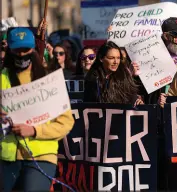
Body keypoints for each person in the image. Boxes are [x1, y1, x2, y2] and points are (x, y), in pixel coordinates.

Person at [1, 27, 74, 191]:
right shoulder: (2, 78)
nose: (21, 55)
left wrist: (34, 130)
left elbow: (66, 123)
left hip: (41, 156)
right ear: (9, 50)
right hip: (6, 158)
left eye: (25, 50)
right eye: (17, 50)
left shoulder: (49, 80)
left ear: (33, 49)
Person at [83, 41, 143, 105]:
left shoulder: (124, 76)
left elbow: (132, 97)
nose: (116, 62)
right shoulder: (92, 79)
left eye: (118, 58)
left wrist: (137, 102)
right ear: (101, 58)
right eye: (111, 58)